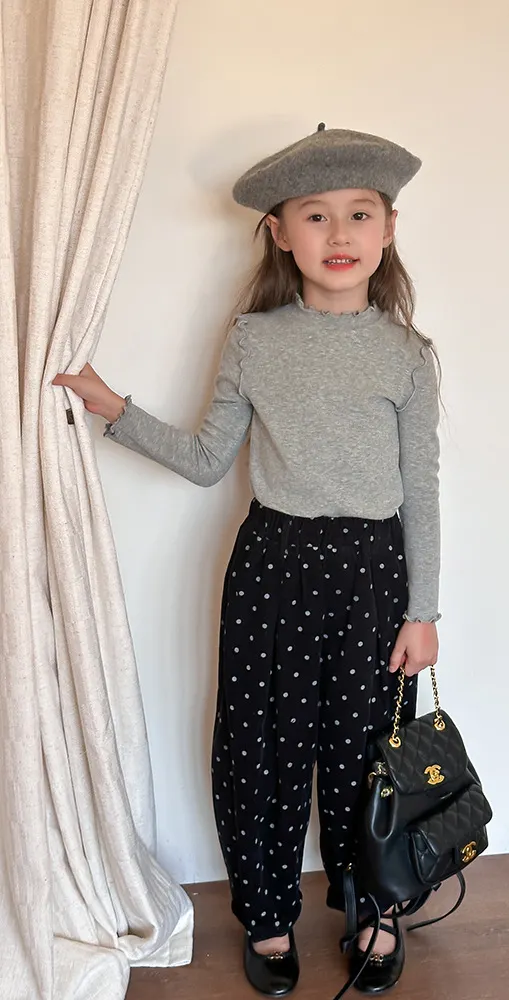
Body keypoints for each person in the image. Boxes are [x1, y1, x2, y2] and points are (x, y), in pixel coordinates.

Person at [54, 123, 441, 997]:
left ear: (388, 230)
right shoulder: (254, 340)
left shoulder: (406, 356)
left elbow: (422, 491)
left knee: (368, 751)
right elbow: (205, 461)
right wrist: (113, 408)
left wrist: (424, 612)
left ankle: (372, 906)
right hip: (274, 564)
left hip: (376, 575)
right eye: (315, 215)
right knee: (261, 748)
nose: (338, 235)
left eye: (360, 214)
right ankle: (267, 915)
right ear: (279, 232)